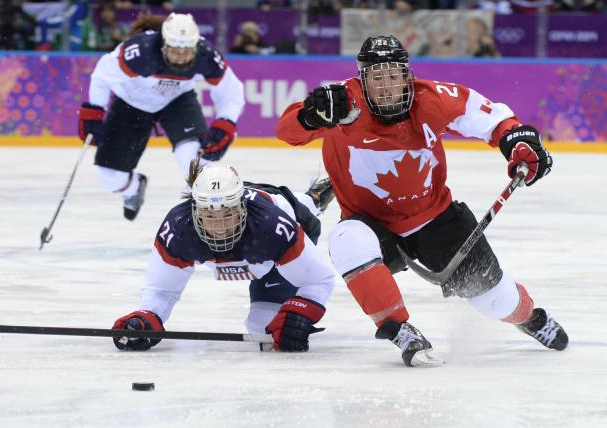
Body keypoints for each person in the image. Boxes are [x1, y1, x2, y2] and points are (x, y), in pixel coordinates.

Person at [275, 35, 568, 367]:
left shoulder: (433, 99)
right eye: (376, 77)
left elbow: (495, 121)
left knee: (495, 301)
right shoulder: (341, 104)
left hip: (437, 221)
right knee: (346, 240)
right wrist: (310, 117)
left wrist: (518, 142)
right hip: (372, 224)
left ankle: (529, 318)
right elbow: (287, 132)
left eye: (393, 76)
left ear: (407, 76)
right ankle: (399, 330)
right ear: (362, 80)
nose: (386, 86)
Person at [111, 160, 337, 352]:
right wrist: (147, 315)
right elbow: (161, 290)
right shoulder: (179, 228)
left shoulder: (273, 226)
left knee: (265, 331)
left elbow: (319, 279)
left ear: (242, 207)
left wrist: (301, 311)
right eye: (209, 215)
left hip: (287, 223)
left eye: (227, 214)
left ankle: (313, 199)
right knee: (266, 333)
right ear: (195, 209)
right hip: (259, 246)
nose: (219, 227)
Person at [78, 13, 245, 221]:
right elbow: (102, 74)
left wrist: (225, 123)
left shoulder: (206, 55)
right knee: (109, 178)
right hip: (131, 103)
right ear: (164, 45)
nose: (182, 57)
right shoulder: (140, 52)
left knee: (195, 162)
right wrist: (94, 110)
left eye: (187, 51)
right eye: (175, 51)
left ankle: (207, 220)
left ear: (196, 47)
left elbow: (232, 90)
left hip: (177, 101)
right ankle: (133, 188)